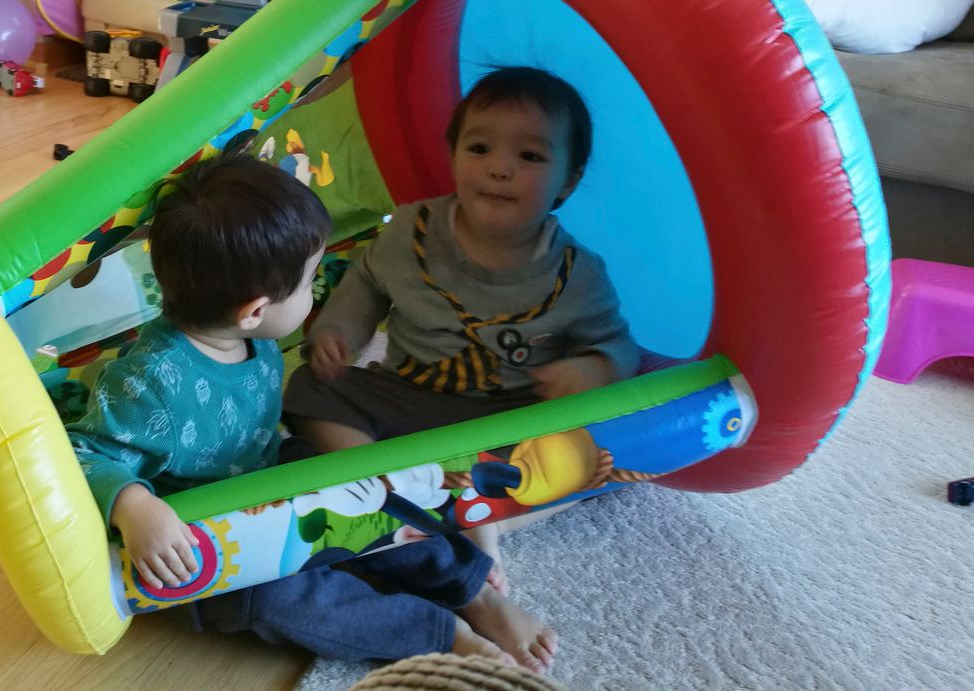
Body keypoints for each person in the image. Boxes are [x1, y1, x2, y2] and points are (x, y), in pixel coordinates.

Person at [66, 152, 557, 672]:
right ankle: (441, 633)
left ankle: (472, 590)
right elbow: (80, 455)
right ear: (255, 310)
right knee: (286, 601)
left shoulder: (252, 336)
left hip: (276, 473)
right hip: (206, 539)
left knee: (374, 492)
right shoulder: (148, 381)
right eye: (308, 282)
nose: (315, 290)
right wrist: (134, 507)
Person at [284, 67, 640, 580]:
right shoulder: (411, 230)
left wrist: (593, 369)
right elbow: (367, 283)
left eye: (529, 156)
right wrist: (341, 332)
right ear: (453, 155)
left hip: (507, 419)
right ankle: (375, 483)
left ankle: (478, 522)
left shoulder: (578, 275)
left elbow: (620, 348)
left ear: (569, 179)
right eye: (479, 149)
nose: (499, 168)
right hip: (407, 397)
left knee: (593, 452)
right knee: (309, 387)